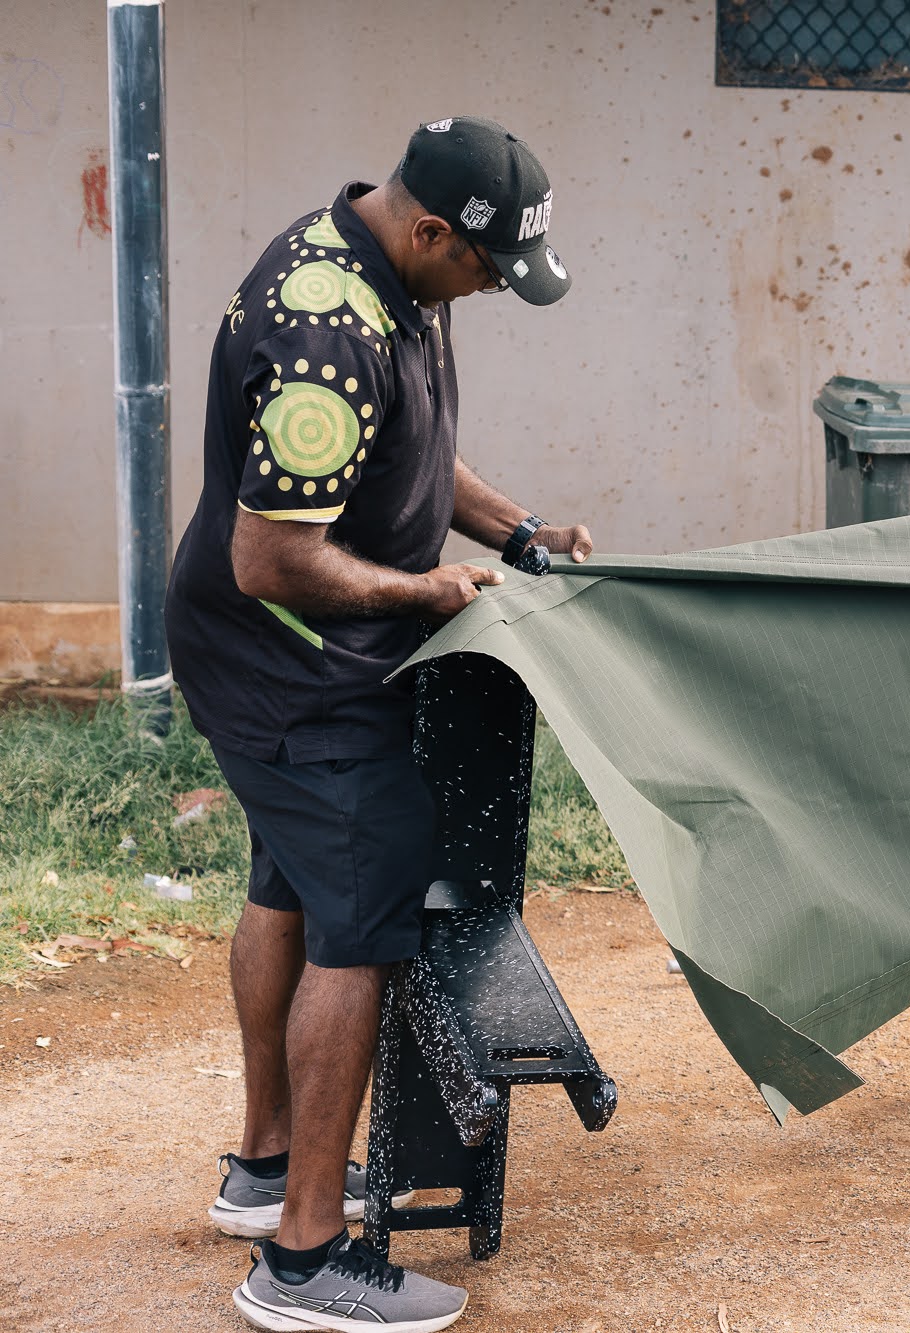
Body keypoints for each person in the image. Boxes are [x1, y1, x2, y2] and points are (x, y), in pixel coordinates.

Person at [165, 116, 590, 1329]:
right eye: (485, 270)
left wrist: (513, 530)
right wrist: (430, 590)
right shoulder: (324, 330)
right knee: (366, 905)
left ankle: (261, 1171)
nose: (489, 294)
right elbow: (271, 557)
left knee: (291, 882)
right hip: (287, 659)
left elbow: (414, 449)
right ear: (430, 231)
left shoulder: (393, 273)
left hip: (287, 656)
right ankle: (300, 1260)